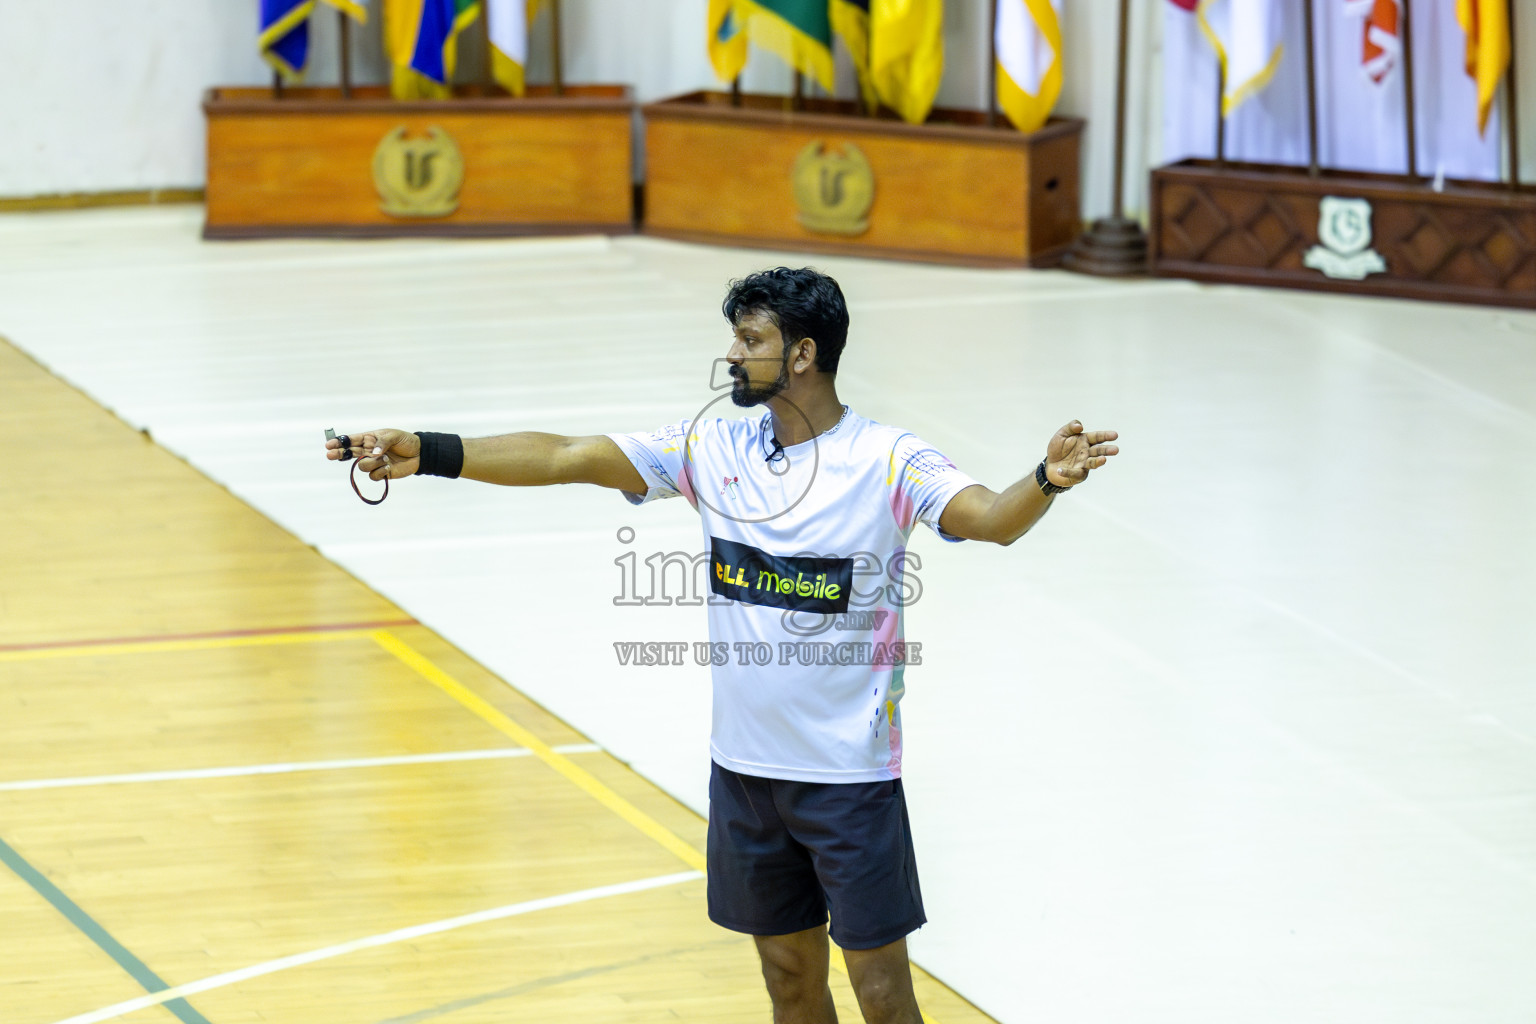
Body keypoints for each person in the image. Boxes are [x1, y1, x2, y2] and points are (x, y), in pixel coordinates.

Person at [325, 267, 1119, 1024]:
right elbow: (571, 455)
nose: (732, 356)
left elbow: (986, 518)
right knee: (787, 981)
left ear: (802, 354)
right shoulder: (717, 449)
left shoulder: (886, 459)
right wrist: (427, 451)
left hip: (849, 781)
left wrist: (1044, 481)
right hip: (744, 775)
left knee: (881, 993)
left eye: (748, 339)